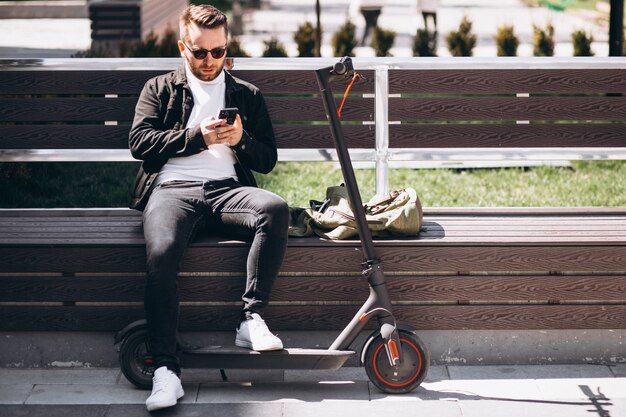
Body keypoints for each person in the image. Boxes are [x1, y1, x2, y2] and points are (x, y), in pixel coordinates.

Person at [128, 4, 289, 412]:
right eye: (200, 52)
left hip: (226, 191)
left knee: (274, 209)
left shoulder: (245, 95)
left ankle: (250, 320)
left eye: (219, 52)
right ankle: (166, 371)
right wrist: (196, 137)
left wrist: (240, 141)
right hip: (171, 191)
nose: (210, 61)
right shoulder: (159, 88)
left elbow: (267, 160)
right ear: (183, 47)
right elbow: (140, 143)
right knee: (161, 255)